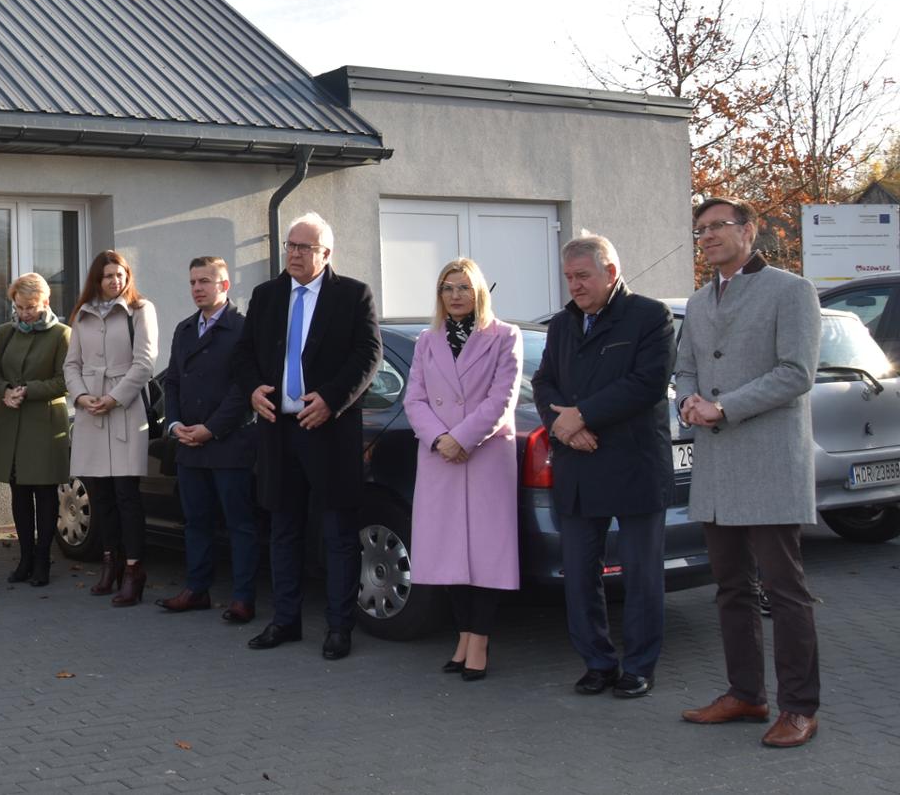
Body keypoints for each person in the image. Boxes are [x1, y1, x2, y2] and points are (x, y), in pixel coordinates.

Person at [676, 198, 823, 748]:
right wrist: (687, 400)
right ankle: (745, 695)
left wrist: (723, 407)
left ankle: (800, 708)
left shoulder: (792, 291)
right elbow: (685, 367)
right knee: (730, 587)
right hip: (716, 468)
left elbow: (796, 373)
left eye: (718, 226)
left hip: (769, 463)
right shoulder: (697, 301)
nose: (708, 236)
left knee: (785, 591)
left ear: (750, 230)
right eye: (701, 230)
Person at [530, 233, 676, 697]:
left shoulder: (650, 317)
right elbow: (543, 382)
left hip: (635, 465)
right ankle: (597, 662)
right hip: (578, 465)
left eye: (583, 276)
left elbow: (648, 383)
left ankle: (639, 667)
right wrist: (564, 426)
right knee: (579, 575)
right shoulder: (561, 325)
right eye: (568, 277)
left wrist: (583, 415)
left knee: (641, 575)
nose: (574, 285)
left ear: (611, 272)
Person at [231, 212, 381, 661]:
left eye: (304, 247)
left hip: (329, 431)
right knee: (283, 530)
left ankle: (339, 627)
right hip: (279, 431)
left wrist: (332, 399)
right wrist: (252, 389)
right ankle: (285, 620)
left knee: (337, 534)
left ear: (326, 253)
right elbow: (243, 354)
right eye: (290, 246)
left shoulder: (352, 295)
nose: (294, 254)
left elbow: (368, 356)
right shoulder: (267, 295)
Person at [406, 258, 523, 681]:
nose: (455, 295)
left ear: (479, 292)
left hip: (484, 455)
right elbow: (414, 398)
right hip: (440, 457)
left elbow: (502, 398)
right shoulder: (427, 340)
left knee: (486, 555)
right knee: (449, 554)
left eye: (463, 287)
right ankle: (463, 636)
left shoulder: (504, 336)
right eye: (447, 288)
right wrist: (440, 439)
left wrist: (462, 438)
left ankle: (480, 641)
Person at [155, 257, 260, 622]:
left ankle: (243, 598)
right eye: (193, 282)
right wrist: (174, 424)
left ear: (224, 285)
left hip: (229, 443)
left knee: (239, 524)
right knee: (195, 521)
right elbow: (172, 382)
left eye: (205, 281)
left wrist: (211, 429)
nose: (197, 288)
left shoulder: (243, 328)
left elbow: (243, 388)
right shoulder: (185, 329)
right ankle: (196, 589)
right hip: (188, 443)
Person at [64, 250, 159, 607]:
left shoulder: (140, 310)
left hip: (125, 412)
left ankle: (134, 569)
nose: (116, 281)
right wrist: (81, 396)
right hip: (91, 412)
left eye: (121, 274)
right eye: (108, 276)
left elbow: (145, 362)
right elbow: (71, 364)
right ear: (97, 279)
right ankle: (110, 562)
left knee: (126, 496)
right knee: (100, 495)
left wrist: (114, 398)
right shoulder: (82, 315)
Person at [0, 273, 71, 587]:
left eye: (30, 307)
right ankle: (25, 558)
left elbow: (65, 380)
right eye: (19, 307)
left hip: (44, 424)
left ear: (46, 301)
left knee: (45, 495)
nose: (24, 314)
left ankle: (43, 560)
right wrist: (4, 391)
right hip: (11, 423)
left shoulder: (62, 334)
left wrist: (28, 390)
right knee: (19, 493)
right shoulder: (5, 333)